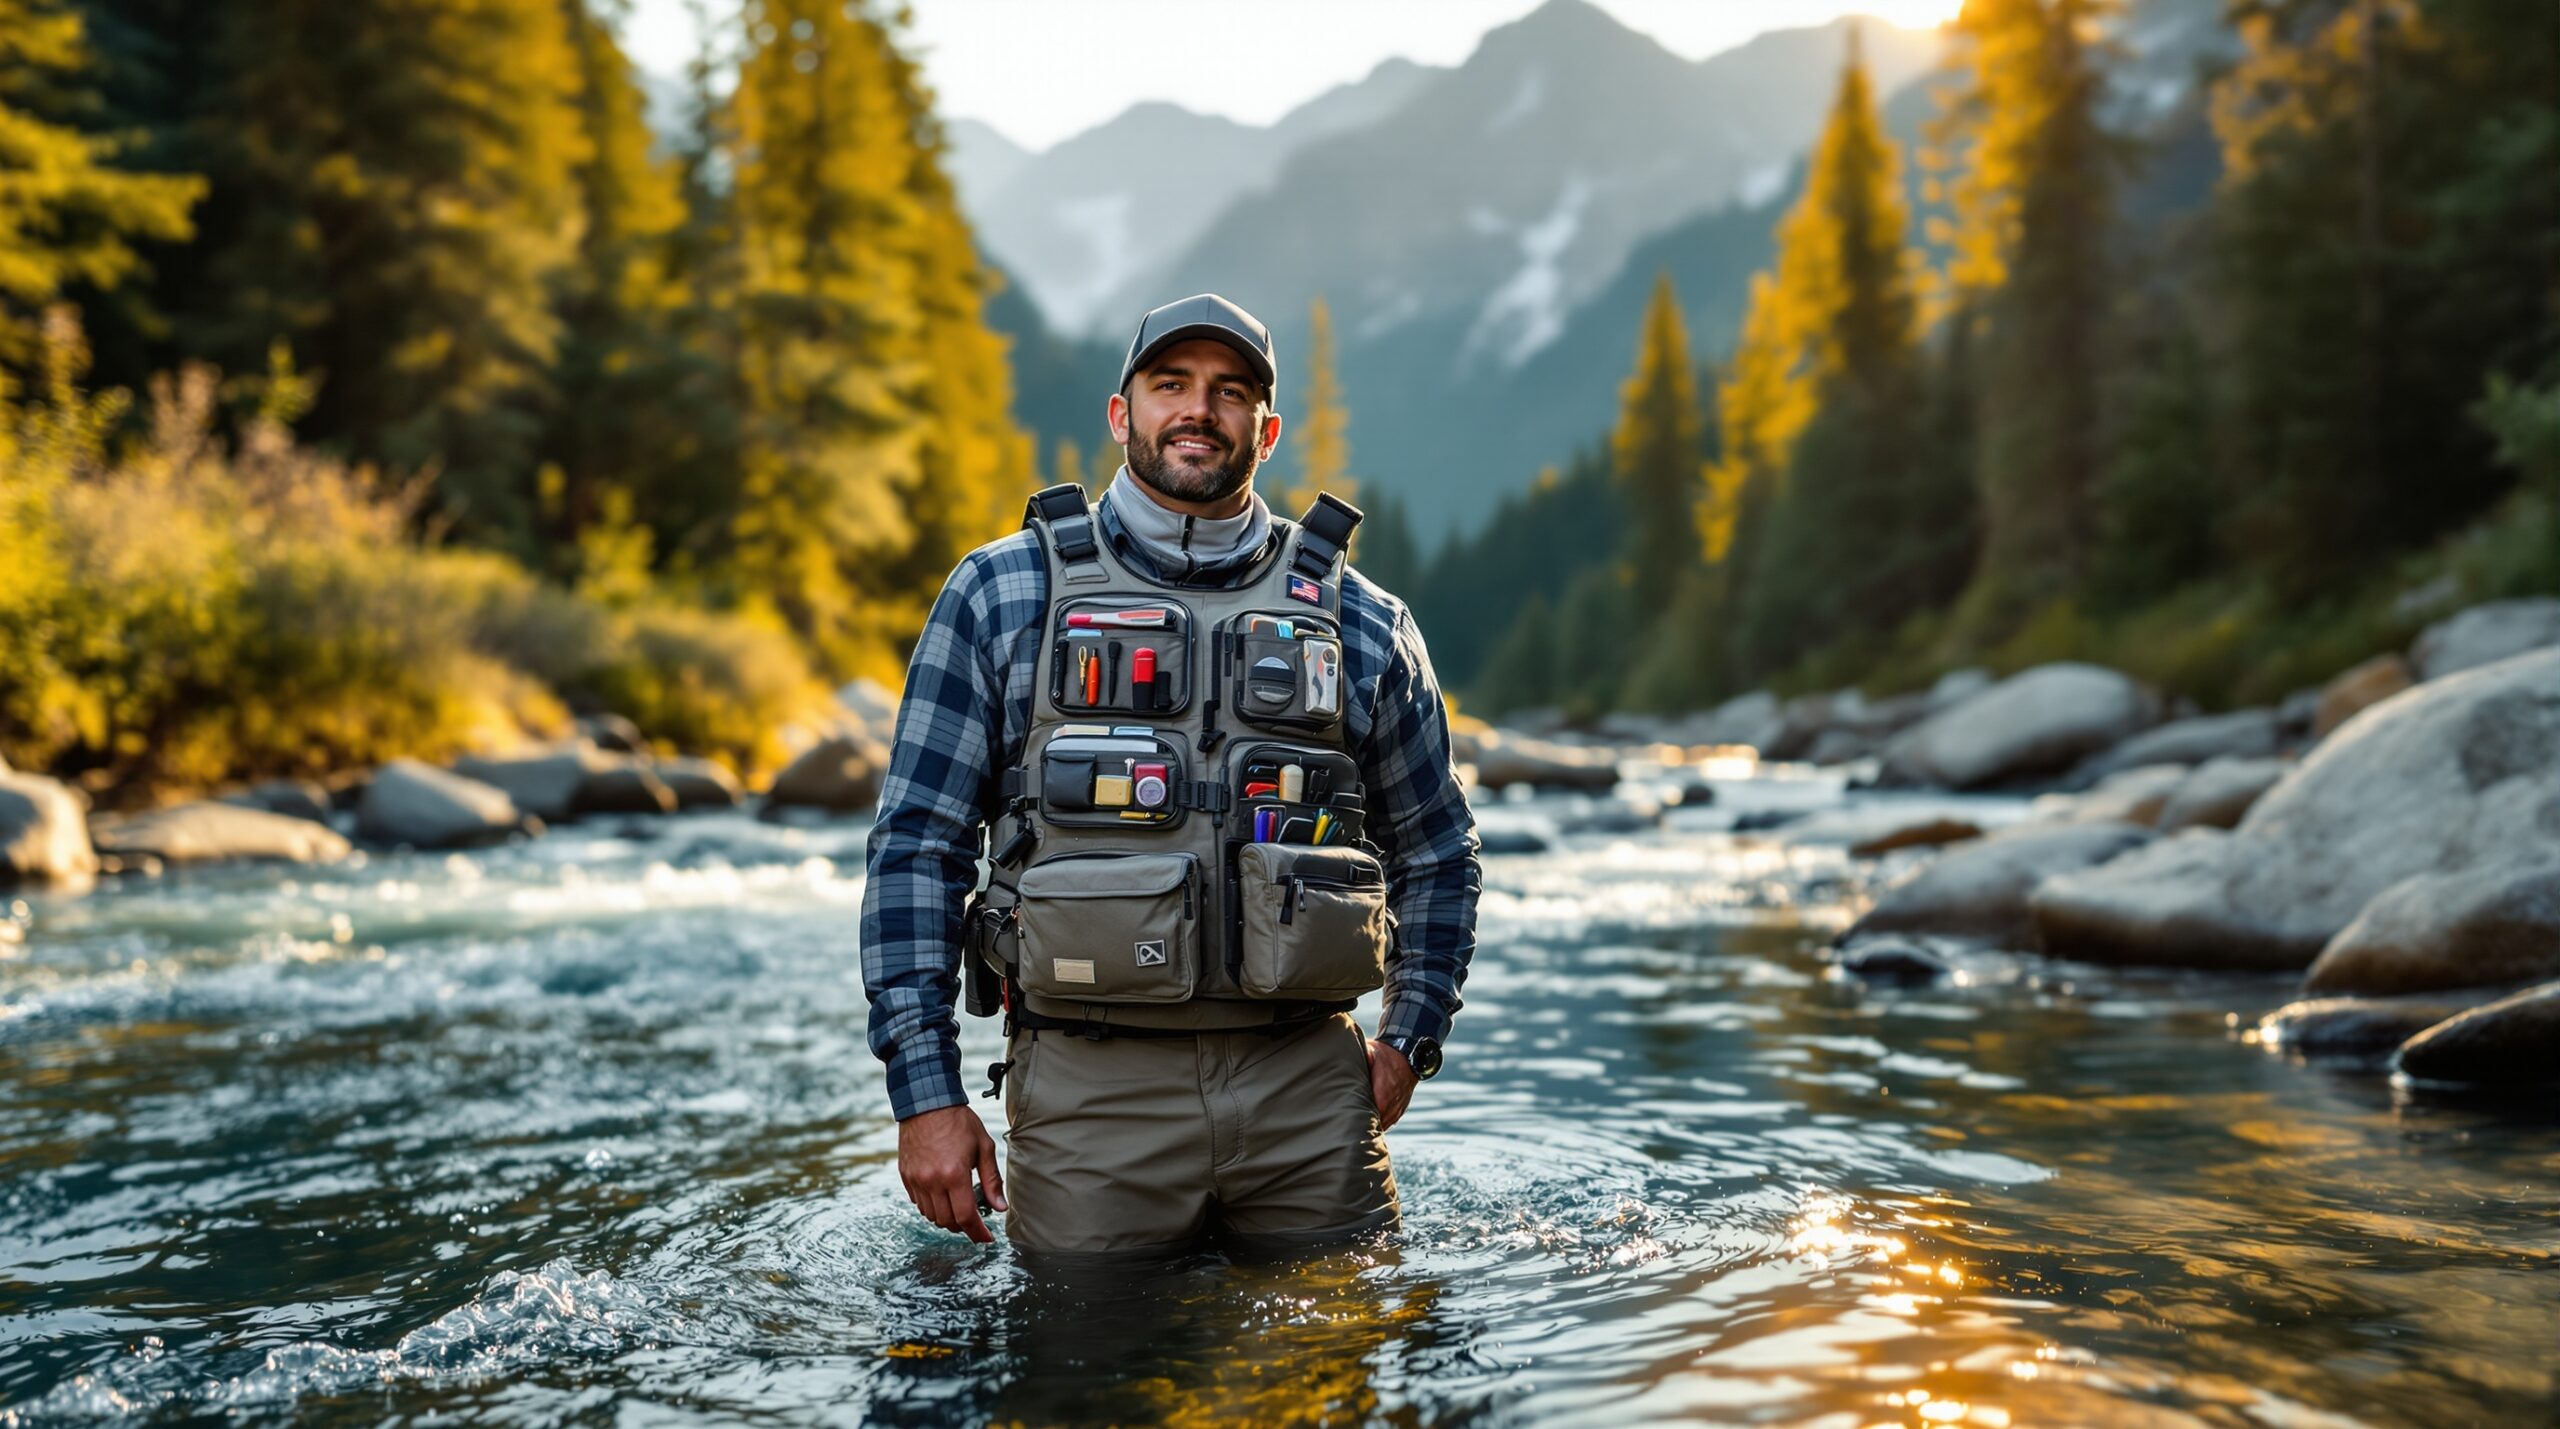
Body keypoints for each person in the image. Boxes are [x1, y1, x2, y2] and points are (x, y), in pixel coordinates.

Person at [862, 292, 1481, 1261]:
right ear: (1122, 414)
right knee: (1082, 1384)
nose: (1199, 410)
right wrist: (926, 1095)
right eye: (1171, 385)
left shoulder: (1364, 621)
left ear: (1265, 430)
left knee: (1334, 1374)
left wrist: (1409, 1037)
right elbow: (917, 850)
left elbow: (1438, 848)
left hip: (1308, 1094)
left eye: (1230, 392)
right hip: (1085, 1094)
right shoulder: (999, 592)